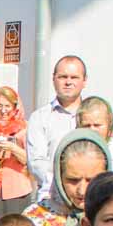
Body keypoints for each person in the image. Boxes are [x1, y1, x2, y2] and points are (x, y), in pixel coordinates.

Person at [29, 127, 109, 226]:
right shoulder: (36, 220)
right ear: (59, 176)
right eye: (73, 180)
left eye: (91, 180)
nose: (82, 191)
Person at [27, 55, 88, 198]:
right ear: (53, 79)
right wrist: (64, 184)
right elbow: (36, 162)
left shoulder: (93, 116)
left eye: (74, 77)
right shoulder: (40, 118)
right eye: (63, 77)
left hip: (89, 197)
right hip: (51, 197)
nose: (68, 82)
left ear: (84, 81)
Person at [75, 96, 113, 171]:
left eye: (97, 125)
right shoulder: (72, 153)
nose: (92, 130)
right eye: (87, 125)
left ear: (109, 124)